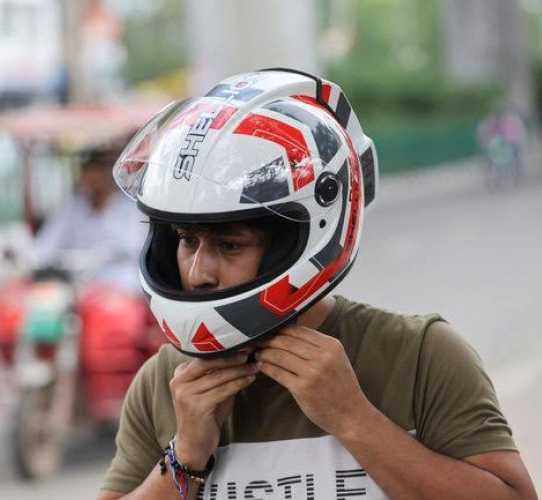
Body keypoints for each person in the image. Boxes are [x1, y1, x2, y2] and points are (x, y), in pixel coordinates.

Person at [98, 69, 537, 500]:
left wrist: (354, 419)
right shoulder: (165, 381)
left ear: (300, 241)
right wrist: (186, 457)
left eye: (230, 246)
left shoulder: (420, 355)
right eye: (187, 240)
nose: (197, 273)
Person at [33, 142, 146, 292]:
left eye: (95, 168)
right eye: (86, 168)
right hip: (77, 287)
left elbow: (135, 248)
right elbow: (46, 244)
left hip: (121, 287)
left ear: (110, 171)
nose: (88, 175)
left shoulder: (131, 209)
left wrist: (103, 255)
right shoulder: (73, 207)